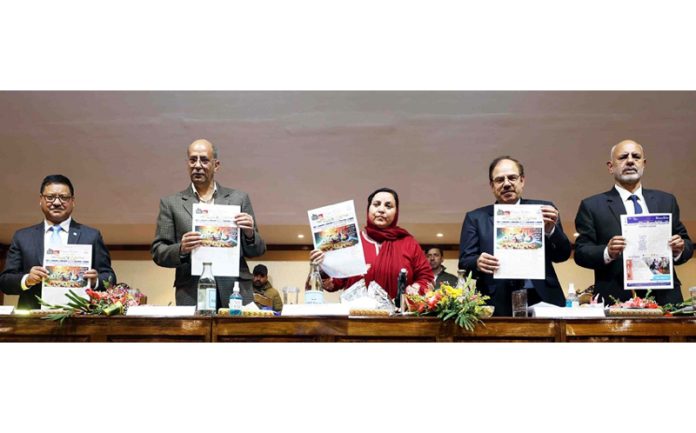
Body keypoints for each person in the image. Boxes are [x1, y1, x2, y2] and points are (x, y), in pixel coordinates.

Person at [574, 139, 693, 305]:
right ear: (610, 166)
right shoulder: (592, 205)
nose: (630, 161)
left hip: (665, 297)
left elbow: (687, 244)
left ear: (643, 164)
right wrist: (607, 252)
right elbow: (580, 252)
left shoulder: (666, 201)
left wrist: (680, 249)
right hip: (616, 297)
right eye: (623, 157)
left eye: (636, 157)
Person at [151, 139, 266, 307]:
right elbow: (158, 251)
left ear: (216, 165)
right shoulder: (171, 203)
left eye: (204, 160)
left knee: (236, 334)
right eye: (193, 160)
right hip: (191, 291)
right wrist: (181, 249)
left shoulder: (238, 199)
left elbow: (258, 250)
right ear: (187, 164)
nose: (197, 165)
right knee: (196, 334)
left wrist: (249, 235)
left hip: (236, 290)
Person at [459, 156, 571, 316]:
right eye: (499, 180)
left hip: (543, 296)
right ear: (492, 186)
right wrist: (477, 262)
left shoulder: (544, 210)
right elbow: (464, 261)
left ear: (522, 181)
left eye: (512, 178)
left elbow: (562, 255)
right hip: (495, 299)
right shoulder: (475, 218)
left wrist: (551, 231)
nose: (506, 184)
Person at [0, 175, 116, 309]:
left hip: (80, 318)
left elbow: (110, 278)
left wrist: (95, 281)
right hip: (32, 320)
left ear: (73, 201)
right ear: (40, 200)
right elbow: (4, 282)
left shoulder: (91, 236)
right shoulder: (23, 237)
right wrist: (27, 279)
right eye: (50, 197)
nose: (56, 202)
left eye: (63, 197)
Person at [309, 187, 434, 299]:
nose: (381, 210)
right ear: (368, 209)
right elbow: (332, 284)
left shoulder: (408, 243)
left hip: (398, 320)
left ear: (396, 212)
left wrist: (415, 289)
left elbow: (426, 278)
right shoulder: (350, 241)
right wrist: (322, 266)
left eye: (388, 206)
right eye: (376, 204)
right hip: (357, 319)